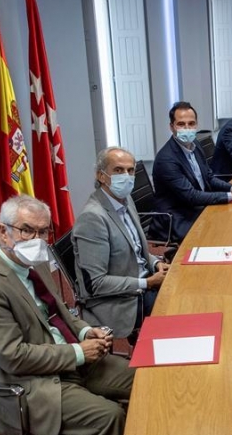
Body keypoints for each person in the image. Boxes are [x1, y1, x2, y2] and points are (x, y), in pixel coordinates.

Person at [0, 195, 134, 435]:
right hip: (29, 384)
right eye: (27, 231)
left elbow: (59, 311)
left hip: (69, 361)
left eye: (43, 232)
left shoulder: (34, 262)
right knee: (110, 417)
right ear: (3, 231)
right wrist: (78, 352)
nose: (37, 240)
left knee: (142, 380)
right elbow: (14, 357)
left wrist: (84, 330)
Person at [72, 146, 169, 341]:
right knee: (178, 305)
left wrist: (155, 263)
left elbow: (136, 250)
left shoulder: (125, 200)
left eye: (130, 170)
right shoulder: (93, 218)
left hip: (141, 281)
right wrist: (147, 282)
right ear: (101, 176)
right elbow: (96, 284)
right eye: (118, 170)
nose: (126, 176)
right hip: (119, 302)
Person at [152, 101, 232, 242]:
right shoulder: (166, 160)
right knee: (221, 232)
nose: (187, 128)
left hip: (196, 207)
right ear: (171, 127)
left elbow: (209, 177)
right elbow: (191, 196)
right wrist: (231, 196)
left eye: (191, 123)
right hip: (177, 217)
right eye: (181, 124)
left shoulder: (195, 144)